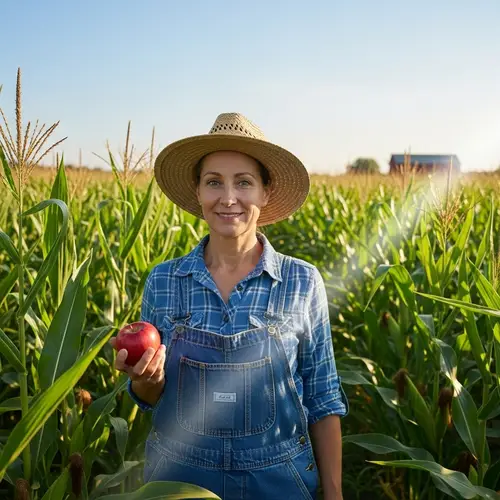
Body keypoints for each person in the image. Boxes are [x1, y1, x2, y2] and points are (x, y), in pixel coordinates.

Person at [110, 112, 348, 500]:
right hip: (179, 481)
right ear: (198, 192)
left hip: (278, 482)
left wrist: (334, 493)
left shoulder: (302, 282)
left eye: (244, 182)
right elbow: (150, 398)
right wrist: (143, 381)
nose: (228, 198)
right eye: (214, 182)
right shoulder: (165, 281)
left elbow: (323, 398)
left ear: (265, 193)